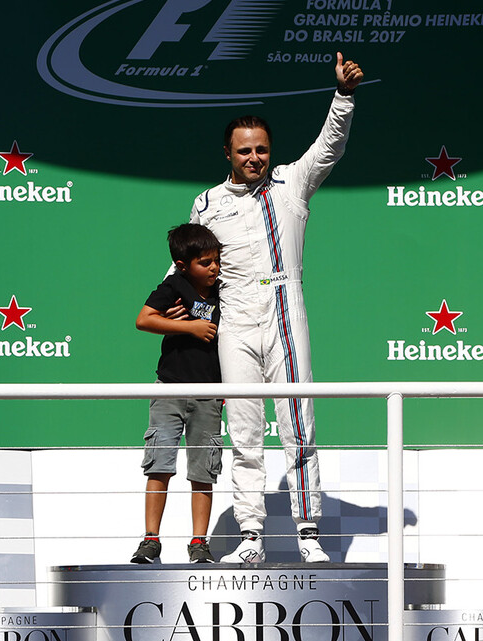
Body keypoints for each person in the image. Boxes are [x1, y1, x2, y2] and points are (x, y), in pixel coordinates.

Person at [188, 52, 364, 563]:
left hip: (285, 309)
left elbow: (329, 147)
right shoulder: (207, 202)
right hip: (235, 318)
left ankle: (308, 535)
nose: (255, 158)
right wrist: (170, 306)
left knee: (299, 425)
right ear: (227, 152)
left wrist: (344, 97)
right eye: (245, 151)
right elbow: (188, 264)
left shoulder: (292, 183)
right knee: (244, 430)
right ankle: (250, 537)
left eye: (262, 149)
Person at [131, 223, 225, 564]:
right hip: (170, 388)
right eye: (205, 262)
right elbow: (144, 319)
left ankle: (199, 542)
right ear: (183, 265)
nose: (214, 268)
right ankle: (150, 540)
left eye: (216, 260)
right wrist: (189, 327)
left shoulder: (224, 292)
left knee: (204, 471)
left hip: (210, 394)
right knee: (159, 464)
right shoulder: (173, 286)